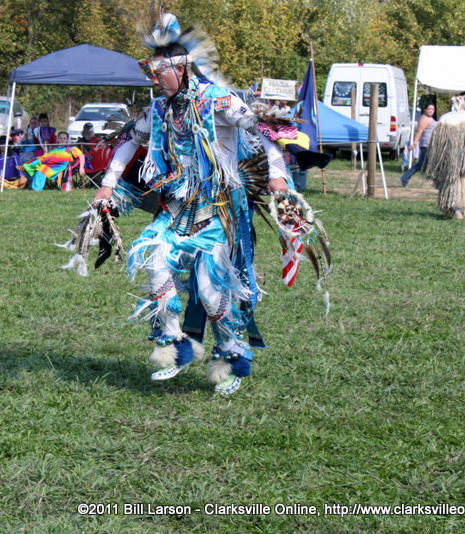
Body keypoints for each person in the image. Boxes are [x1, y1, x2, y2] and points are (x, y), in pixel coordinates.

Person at [90, 11, 294, 395]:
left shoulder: (219, 101)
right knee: (153, 259)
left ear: (181, 69)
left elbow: (265, 130)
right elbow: (131, 141)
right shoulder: (159, 110)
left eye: (158, 72)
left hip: (218, 208)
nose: (154, 78)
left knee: (210, 290)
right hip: (176, 206)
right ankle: (175, 344)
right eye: (150, 71)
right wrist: (108, 185)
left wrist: (278, 174)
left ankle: (232, 355)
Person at [424, 95, 465, 219]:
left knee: (449, 181)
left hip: (448, 157)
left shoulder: (445, 118)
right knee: (463, 180)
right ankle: (458, 209)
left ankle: (451, 207)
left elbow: (436, 141)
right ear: (464, 105)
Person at [20, 131, 86, 191]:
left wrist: (81, 167)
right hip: (51, 165)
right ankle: (37, 189)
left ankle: (28, 166)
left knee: (47, 157)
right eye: (60, 138)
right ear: (58, 139)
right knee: (41, 168)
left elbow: (81, 155)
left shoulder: (72, 148)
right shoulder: (53, 149)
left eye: (64, 138)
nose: (62, 140)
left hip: (61, 164)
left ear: (67, 140)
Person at [400, 103, 436, 188]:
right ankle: (405, 178)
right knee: (426, 163)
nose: (431, 111)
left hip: (431, 144)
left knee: (421, 164)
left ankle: (405, 178)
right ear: (425, 110)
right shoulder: (424, 119)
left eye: (432, 109)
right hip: (426, 144)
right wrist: (414, 143)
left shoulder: (431, 118)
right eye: (429, 109)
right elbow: (419, 132)